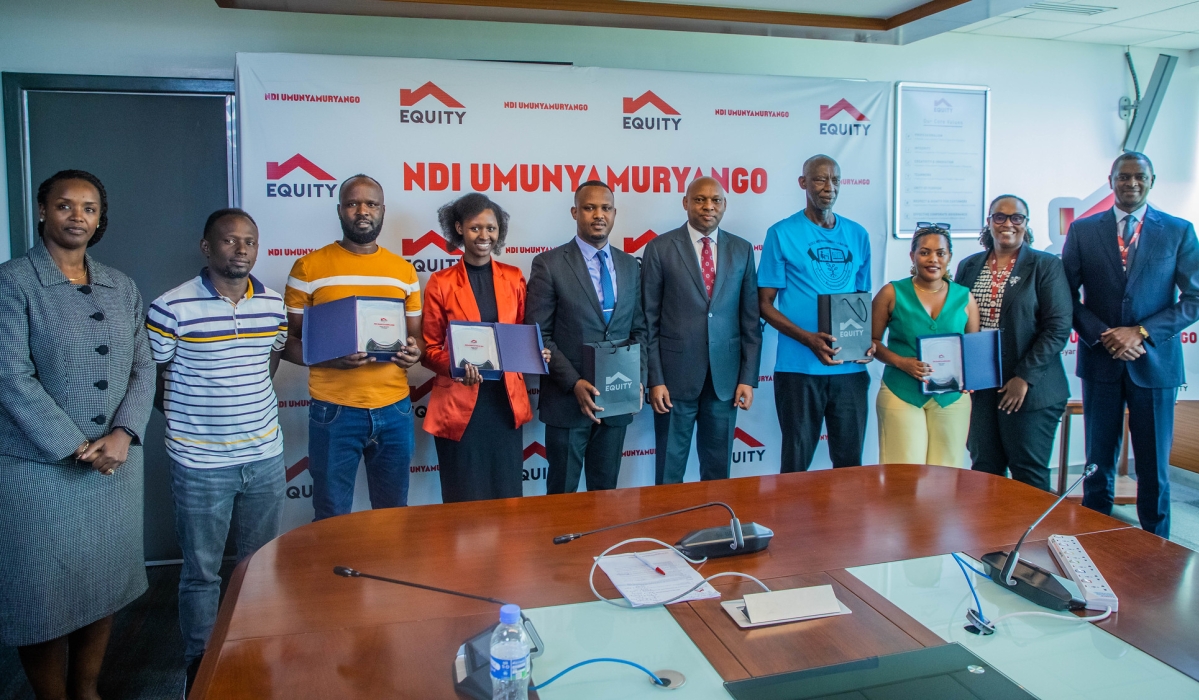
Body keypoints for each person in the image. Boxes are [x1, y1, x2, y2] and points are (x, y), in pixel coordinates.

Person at [0, 170, 154, 700]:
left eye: (88, 208)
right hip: (39, 469)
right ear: (42, 211)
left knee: (101, 582)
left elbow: (144, 367)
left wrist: (123, 433)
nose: (77, 217)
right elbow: (9, 376)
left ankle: (86, 689)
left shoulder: (121, 285)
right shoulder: (13, 282)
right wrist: (74, 444)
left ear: (99, 218)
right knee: (39, 595)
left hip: (115, 462)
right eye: (64, 206)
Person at [145, 208, 288, 690]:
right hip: (200, 461)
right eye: (229, 241)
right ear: (207, 248)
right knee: (202, 573)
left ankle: (252, 650)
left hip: (264, 456)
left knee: (259, 568)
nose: (241, 249)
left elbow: (269, 359)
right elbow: (153, 379)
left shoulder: (271, 303)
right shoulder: (170, 307)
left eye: (249, 240)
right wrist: (197, 421)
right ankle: (201, 667)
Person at [1063, 152, 1199, 538]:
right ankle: (1092, 542)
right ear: (1111, 180)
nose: (1131, 183)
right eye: (1124, 177)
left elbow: (1195, 298)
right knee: (1097, 464)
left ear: (1152, 181)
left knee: (1154, 468)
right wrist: (1104, 334)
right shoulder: (1083, 231)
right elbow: (1066, 296)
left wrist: (1139, 333)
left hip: (1154, 365)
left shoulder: (1178, 231)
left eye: (1140, 177)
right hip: (1100, 362)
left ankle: (1157, 549)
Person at [282, 174, 424, 520]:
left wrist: (413, 352)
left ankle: (385, 575)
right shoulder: (308, 268)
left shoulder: (403, 271)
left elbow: (415, 338)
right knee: (331, 514)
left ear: (383, 211)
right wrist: (332, 359)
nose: (363, 211)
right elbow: (287, 344)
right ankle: (331, 577)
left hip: (395, 410)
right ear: (339, 210)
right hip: (334, 411)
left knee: (392, 514)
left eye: (371, 204)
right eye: (353, 203)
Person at [421, 194, 550, 502]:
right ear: (459, 229)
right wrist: (456, 368)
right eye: (475, 228)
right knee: (463, 497)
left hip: (504, 406)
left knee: (506, 498)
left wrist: (536, 354)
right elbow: (429, 349)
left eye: (491, 228)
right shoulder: (441, 282)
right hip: (459, 407)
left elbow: (519, 335)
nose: (484, 236)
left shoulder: (514, 278)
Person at [526, 180, 647, 493]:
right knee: (562, 496)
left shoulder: (629, 265)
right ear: (574, 212)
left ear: (614, 213)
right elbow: (540, 335)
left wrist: (637, 379)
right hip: (567, 403)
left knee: (605, 492)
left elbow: (639, 329)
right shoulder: (548, 264)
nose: (598, 214)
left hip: (617, 401)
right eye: (589, 207)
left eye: (605, 208)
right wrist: (575, 383)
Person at [641, 177, 762, 484]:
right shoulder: (659, 248)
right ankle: (667, 530)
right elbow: (648, 321)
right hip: (673, 382)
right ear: (686, 202)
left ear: (724, 205)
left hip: (724, 382)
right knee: (669, 471)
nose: (708, 206)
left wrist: (748, 378)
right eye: (700, 200)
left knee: (718, 471)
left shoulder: (742, 249)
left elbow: (750, 320)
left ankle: (716, 530)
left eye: (716, 200)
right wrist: (655, 379)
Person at [758, 155, 873, 472]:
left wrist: (867, 342)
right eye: (820, 179)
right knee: (796, 466)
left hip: (849, 370)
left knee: (849, 465)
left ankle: (845, 524)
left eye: (835, 180)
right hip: (799, 371)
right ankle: (789, 524)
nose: (829, 187)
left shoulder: (858, 235)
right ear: (803, 183)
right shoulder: (781, 233)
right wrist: (808, 339)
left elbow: (862, 300)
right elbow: (764, 303)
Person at [956, 196, 1072, 491]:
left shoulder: (1045, 265)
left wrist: (1024, 378)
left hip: (1031, 389)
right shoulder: (969, 266)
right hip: (982, 388)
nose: (1008, 223)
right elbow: (956, 320)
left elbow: (1057, 328)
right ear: (989, 221)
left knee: (1027, 474)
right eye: (1000, 217)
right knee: (984, 471)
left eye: (1016, 218)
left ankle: (1031, 539)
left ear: (1026, 223)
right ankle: (992, 538)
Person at [872, 226, 980, 467]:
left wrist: (971, 378)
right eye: (925, 252)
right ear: (912, 256)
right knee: (903, 475)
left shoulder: (965, 297)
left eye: (941, 253)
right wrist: (902, 362)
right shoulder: (892, 292)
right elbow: (870, 342)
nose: (933, 259)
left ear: (949, 257)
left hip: (951, 398)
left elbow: (973, 349)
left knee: (947, 472)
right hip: (902, 392)